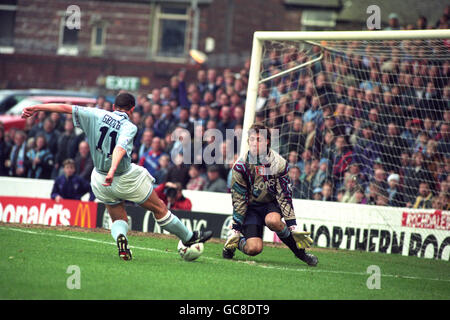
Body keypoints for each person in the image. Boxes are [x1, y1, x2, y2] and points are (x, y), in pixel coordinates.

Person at [22, 92, 212, 261]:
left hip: (99, 178)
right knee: (159, 208)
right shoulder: (129, 127)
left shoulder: (95, 113)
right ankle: (188, 237)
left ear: (114, 107)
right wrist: (113, 170)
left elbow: (64, 107)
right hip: (123, 176)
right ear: (132, 110)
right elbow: (120, 148)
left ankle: (122, 238)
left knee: (117, 217)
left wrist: (37, 107)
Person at [222, 122, 318, 266]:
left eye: (258, 139)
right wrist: (236, 230)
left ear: (267, 141)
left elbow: (284, 196)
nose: (254, 143)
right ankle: (235, 244)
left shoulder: (279, 164)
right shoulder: (240, 167)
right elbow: (239, 200)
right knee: (254, 249)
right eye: (252, 139)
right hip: (251, 208)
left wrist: (293, 226)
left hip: (270, 204)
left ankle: (301, 254)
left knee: (273, 220)